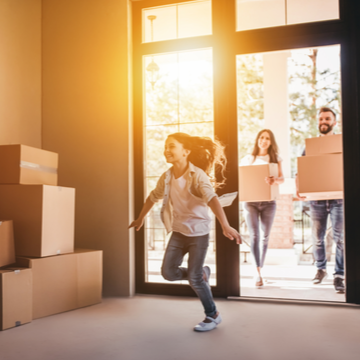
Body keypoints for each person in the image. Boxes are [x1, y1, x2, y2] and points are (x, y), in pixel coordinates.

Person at [129, 132, 242, 332]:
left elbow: (212, 199)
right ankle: (200, 274)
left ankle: (212, 315)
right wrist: (140, 218)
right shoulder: (166, 177)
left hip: (199, 233)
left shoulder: (197, 174)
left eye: (172, 146)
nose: (167, 150)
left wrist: (225, 225)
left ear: (186, 151)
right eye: (166, 146)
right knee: (168, 273)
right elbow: (152, 197)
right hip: (179, 232)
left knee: (195, 279)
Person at [296, 107, 345, 293]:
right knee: (317, 237)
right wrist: (299, 188)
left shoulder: (341, 143)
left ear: (334, 122)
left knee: (340, 238)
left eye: (327, 118)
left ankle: (339, 275)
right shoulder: (310, 146)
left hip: (338, 198)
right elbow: (301, 169)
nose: (323, 121)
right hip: (316, 199)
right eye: (321, 119)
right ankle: (320, 269)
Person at [240, 129, 284, 288]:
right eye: (261, 137)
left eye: (267, 138)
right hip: (250, 202)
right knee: (254, 236)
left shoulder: (275, 158)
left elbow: (282, 179)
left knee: (265, 237)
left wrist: (275, 180)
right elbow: (242, 178)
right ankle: (257, 272)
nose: (264, 140)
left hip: (268, 203)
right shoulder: (248, 159)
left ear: (271, 142)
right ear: (257, 140)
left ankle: (260, 268)